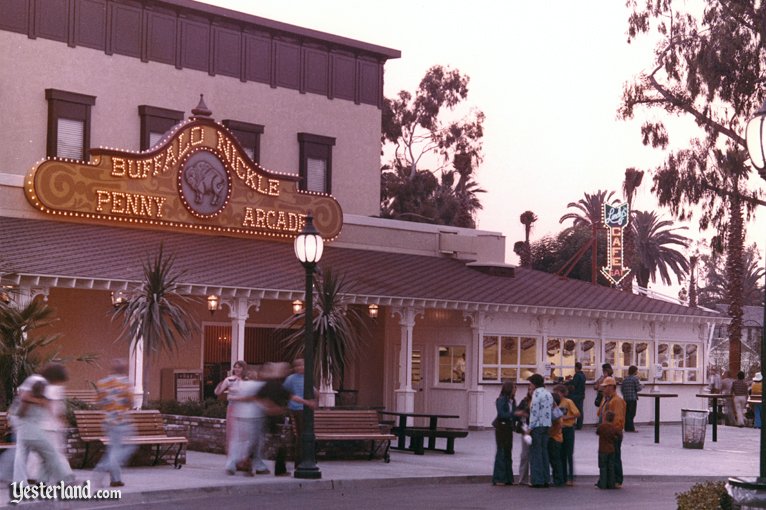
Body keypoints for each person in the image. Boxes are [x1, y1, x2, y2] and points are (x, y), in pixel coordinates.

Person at [12, 363, 74, 486]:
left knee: (24, 452)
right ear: (55, 377)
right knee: (50, 451)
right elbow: (25, 398)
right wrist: (42, 402)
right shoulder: (39, 381)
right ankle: (65, 479)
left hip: (26, 421)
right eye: (59, 380)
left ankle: (26, 482)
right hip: (28, 422)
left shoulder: (38, 380)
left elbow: (23, 398)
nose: (58, 384)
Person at [94, 358, 136, 487]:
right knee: (129, 447)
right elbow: (131, 403)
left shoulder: (102, 383)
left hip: (107, 420)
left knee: (113, 449)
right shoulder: (125, 383)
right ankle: (102, 467)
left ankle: (115, 479)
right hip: (121, 421)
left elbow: (99, 402)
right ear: (124, 370)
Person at [215, 360, 247, 468]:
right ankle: (232, 461)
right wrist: (221, 385)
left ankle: (243, 461)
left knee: (244, 435)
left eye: (240, 367)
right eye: (235, 367)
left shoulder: (247, 380)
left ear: (244, 369)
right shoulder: (229, 380)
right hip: (233, 408)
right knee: (233, 435)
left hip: (245, 409)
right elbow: (218, 392)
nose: (237, 369)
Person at [597, 376, 625, 488]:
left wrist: (613, 432)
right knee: (609, 458)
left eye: (605, 387)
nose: (603, 389)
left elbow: (618, 419)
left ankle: (618, 479)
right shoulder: (606, 399)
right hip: (606, 432)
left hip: (613, 433)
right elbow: (599, 413)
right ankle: (608, 479)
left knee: (615, 456)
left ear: (611, 387)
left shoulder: (617, 401)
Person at [527, 373, 553, 488]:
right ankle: (546, 478)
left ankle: (537, 480)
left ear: (534, 383)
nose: (530, 386)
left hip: (537, 426)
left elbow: (534, 412)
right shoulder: (548, 394)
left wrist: (530, 427)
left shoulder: (537, 394)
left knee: (536, 453)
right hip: (547, 425)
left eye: (530, 383)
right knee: (544, 452)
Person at [554, 384, 580, 486]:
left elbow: (577, 413)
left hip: (568, 428)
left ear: (563, 393)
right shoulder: (555, 403)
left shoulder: (568, 402)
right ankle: (563, 477)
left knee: (568, 453)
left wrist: (567, 418)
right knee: (561, 454)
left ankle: (570, 477)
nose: (556, 395)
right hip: (559, 429)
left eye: (558, 393)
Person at [492, 381, 516, 486]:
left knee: (508, 452)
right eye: (514, 388)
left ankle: (508, 478)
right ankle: (499, 477)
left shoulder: (512, 401)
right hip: (501, 427)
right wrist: (514, 414)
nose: (515, 390)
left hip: (509, 427)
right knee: (501, 450)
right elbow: (502, 414)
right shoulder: (501, 400)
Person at [514, 384, 534, 486]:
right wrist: (521, 413)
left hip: (535, 429)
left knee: (535, 455)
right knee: (525, 455)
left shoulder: (538, 401)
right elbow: (516, 412)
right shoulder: (525, 401)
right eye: (529, 389)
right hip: (526, 430)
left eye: (532, 389)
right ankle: (523, 479)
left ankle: (535, 477)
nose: (530, 391)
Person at [596, 410, 621, 489]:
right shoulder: (614, 427)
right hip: (611, 449)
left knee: (603, 467)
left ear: (605, 417)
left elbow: (597, 432)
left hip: (603, 449)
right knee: (611, 467)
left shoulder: (602, 427)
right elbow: (619, 435)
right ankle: (611, 484)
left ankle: (603, 484)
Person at [547, 392, 564, 487]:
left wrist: (549, 434)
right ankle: (558, 478)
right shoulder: (557, 411)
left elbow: (556, 424)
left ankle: (558, 479)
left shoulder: (555, 411)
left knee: (555, 460)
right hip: (557, 438)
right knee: (556, 460)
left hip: (554, 438)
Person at [620, 365, 643, 432]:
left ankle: (626, 427)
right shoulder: (635, 379)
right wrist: (642, 386)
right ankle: (631, 428)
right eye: (636, 370)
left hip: (626, 398)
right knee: (632, 414)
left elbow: (622, 389)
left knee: (627, 413)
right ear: (634, 371)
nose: (637, 372)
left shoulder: (625, 379)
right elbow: (638, 388)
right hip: (632, 398)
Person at [565, 362, 586, 430]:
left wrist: (568, 382)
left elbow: (574, 385)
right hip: (581, 395)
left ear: (576, 368)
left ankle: (572, 423)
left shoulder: (577, 375)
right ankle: (579, 425)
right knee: (580, 410)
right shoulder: (583, 375)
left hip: (576, 395)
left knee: (573, 409)